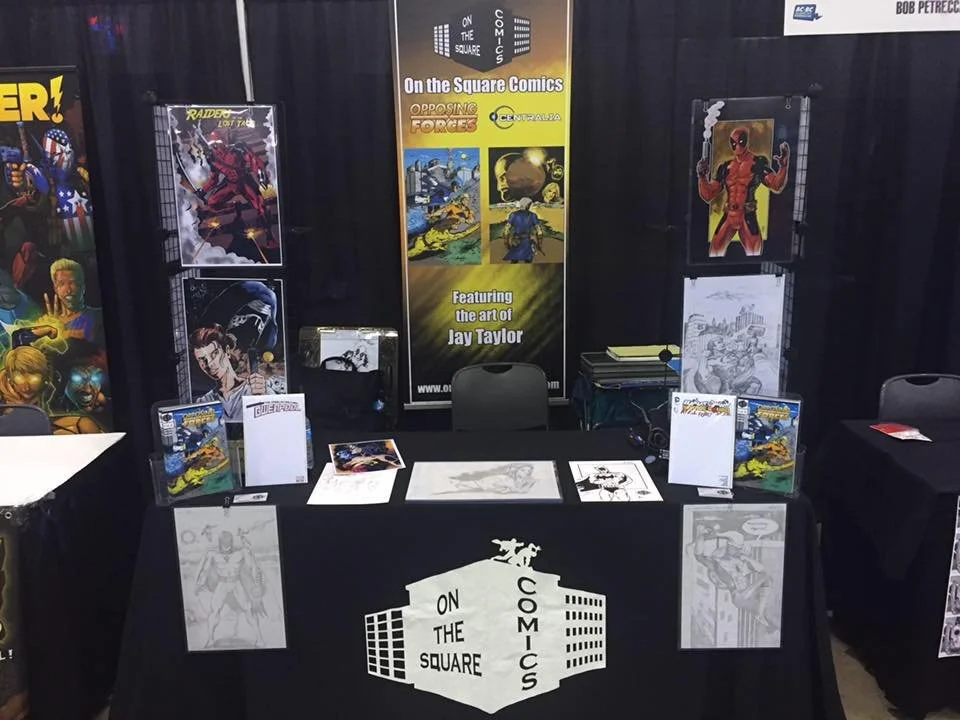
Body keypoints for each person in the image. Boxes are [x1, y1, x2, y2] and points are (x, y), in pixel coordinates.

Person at [697, 126, 789, 258]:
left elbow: (776, 185)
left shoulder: (758, 163)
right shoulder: (725, 167)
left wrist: (784, 167)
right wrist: (701, 176)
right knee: (714, 253)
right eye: (734, 142)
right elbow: (708, 195)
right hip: (729, 216)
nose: (737, 145)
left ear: (746, 141)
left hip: (747, 216)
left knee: (754, 256)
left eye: (740, 141)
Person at [195, 530, 266, 648]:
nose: (225, 544)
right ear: (219, 541)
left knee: (248, 610)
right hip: (222, 584)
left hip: (236, 583)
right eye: (223, 541)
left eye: (228, 541)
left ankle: (259, 638)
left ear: (231, 541)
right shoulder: (212, 554)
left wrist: (257, 584)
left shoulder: (242, 552)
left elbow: (253, 568)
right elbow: (205, 570)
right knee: (214, 611)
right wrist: (200, 583)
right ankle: (210, 639)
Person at [190, 325, 270, 422]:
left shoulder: (256, 388)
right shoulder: (203, 402)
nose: (210, 363)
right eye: (202, 359)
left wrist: (265, 397)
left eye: (214, 353)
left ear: (227, 351)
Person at [43, 258, 103, 345]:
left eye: (72, 283)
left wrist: (64, 333)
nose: (68, 290)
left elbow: (90, 334)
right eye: (61, 284)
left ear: (83, 287)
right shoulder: (51, 323)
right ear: (55, 289)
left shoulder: (97, 315)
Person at [502, 197, 543, 263]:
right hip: (527, 242)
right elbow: (539, 231)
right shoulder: (533, 215)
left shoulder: (513, 215)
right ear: (527, 205)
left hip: (515, 242)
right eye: (529, 204)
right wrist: (539, 244)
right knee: (528, 262)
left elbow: (506, 230)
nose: (530, 206)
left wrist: (506, 242)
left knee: (514, 262)